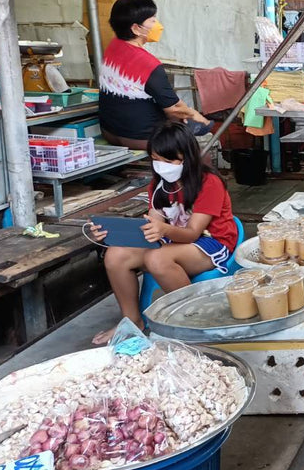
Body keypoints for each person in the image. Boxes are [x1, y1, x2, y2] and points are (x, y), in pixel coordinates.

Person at [90, 122, 237, 344]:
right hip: (174, 240)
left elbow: (192, 233)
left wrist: (163, 229)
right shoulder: (159, 185)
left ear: (186, 157)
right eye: (156, 159)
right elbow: (154, 220)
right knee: (115, 255)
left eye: (169, 161)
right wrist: (112, 234)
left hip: (213, 242)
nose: (162, 166)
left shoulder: (209, 183)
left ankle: (195, 320)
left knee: (156, 257)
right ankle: (132, 321)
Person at [99, 0, 209, 149]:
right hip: (140, 137)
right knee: (195, 149)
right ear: (136, 28)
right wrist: (197, 117)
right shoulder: (148, 64)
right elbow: (174, 109)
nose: (158, 26)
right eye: (152, 20)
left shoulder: (113, 47)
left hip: (109, 132)